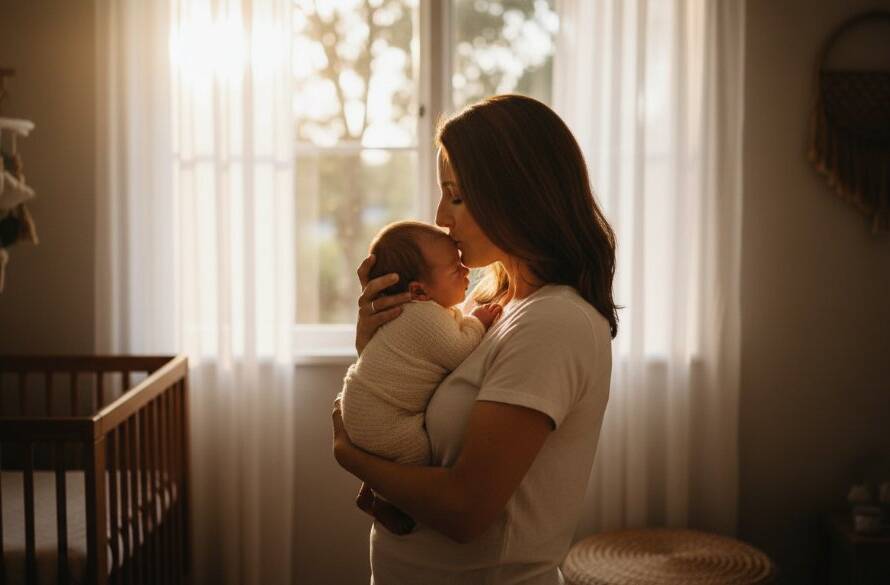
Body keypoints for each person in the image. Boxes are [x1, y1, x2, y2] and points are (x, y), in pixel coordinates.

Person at [332, 94, 619, 585]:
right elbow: (425, 411)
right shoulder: (493, 307)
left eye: (457, 196)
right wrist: (375, 347)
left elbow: (466, 510)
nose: (442, 216)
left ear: (517, 195)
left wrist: (350, 456)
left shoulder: (554, 323)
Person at [338, 220, 502, 534]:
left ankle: (376, 495)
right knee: (417, 458)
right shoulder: (424, 316)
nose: (466, 271)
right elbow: (460, 351)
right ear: (418, 291)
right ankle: (386, 502)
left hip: (367, 401)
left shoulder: (428, 310)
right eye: (456, 270)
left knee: (400, 460)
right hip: (379, 413)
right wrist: (478, 321)